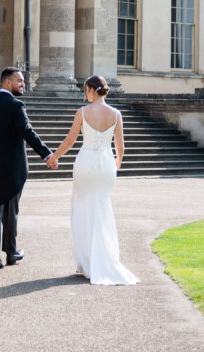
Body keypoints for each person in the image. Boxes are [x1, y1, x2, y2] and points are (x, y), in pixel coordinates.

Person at [50, 73, 139, 285]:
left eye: (86, 90)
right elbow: (120, 145)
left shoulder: (82, 112)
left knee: (82, 208)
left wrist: (55, 156)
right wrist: (118, 161)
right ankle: (104, 258)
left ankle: (87, 262)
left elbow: (71, 140)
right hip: (106, 163)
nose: (85, 94)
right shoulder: (116, 114)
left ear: (91, 90)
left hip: (85, 162)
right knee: (102, 208)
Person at [0, 66, 57, 270]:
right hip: (12, 168)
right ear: (7, 82)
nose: (23, 84)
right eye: (20, 81)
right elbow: (27, 132)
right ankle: (11, 253)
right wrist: (47, 154)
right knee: (10, 212)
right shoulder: (16, 105)